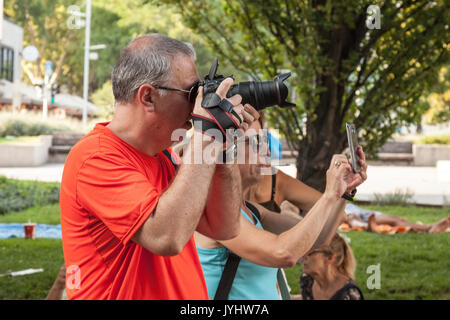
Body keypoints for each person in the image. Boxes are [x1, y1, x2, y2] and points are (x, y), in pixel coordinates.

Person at [60, 34, 260, 299]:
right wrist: (206, 135)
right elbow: (166, 237)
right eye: (191, 93)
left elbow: (224, 227)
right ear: (148, 97)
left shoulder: (163, 156)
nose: (195, 107)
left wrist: (221, 147)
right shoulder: (95, 158)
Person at [195, 119, 368, 299]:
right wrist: (329, 194)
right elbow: (283, 253)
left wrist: (343, 192)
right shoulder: (215, 210)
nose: (267, 151)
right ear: (227, 150)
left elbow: (320, 238)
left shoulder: (251, 211)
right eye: (257, 143)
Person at [300, 233, 364, 300]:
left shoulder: (349, 294)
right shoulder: (307, 280)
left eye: (310, 253)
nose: (303, 256)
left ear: (330, 258)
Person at [341, 203, 450, 234]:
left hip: (359, 209)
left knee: (396, 220)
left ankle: (429, 228)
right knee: (351, 217)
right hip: (345, 210)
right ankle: (367, 226)